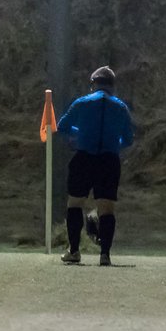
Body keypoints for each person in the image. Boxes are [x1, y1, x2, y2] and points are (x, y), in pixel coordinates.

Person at [56, 66, 136, 266]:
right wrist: (113, 143)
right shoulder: (120, 107)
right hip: (109, 160)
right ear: (112, 87)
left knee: (75, 203)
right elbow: (127, 139)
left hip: (83, 157)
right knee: (106, 207)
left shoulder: (82, 103)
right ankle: (105, 254)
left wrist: (81, 132)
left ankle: (74, 250)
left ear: (93, 85)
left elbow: (63, 126)